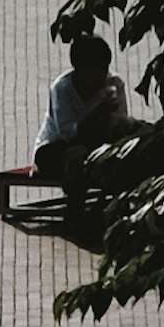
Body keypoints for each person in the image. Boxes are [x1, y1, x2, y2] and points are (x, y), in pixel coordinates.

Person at [31, 40, 129, 215]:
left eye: (103, 71)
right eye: (92, 74)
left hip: (97, 144)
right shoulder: (62, 88)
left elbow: (120, 123)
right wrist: (96, 114)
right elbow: (68, 133)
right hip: (57, 147)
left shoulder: (114, 83)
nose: (99, 79)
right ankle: (76, 212)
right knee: (76, 156)